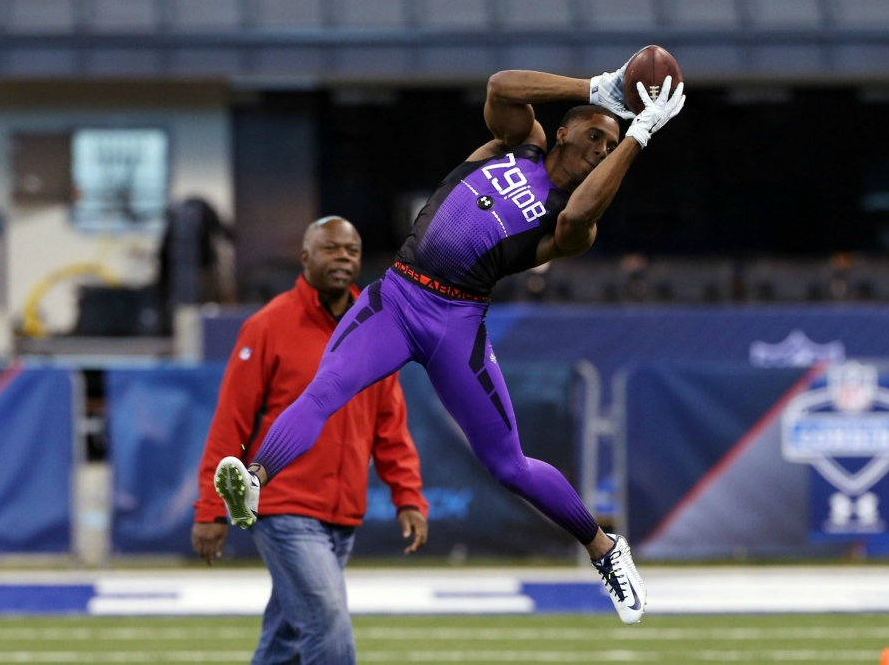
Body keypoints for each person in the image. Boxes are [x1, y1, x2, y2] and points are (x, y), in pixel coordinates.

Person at [215, 54, 685, 625]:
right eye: (594, 134)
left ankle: (605, 551)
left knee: (509, 465)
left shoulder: (573, 219)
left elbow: (579, 216)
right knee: (326, 387)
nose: (599, 149)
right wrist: (596, 86)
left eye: (609, 149)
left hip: (456, 323)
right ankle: (254, 480)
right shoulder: (521, 143)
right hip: (397, 297)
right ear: (562, 129)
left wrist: (636, 134)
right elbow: (500, 86)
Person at [195, 217, 429, 665]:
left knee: (286, 642)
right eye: (331, 248)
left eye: (352, 250)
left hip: (343, 511)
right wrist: (211, 507)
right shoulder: (267, 326)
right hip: (281, 506)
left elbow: (389, 423)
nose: (344, 257)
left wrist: (408, 495)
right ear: (304, 258)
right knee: (327, 626)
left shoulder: (379, 327)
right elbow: (232, 424)